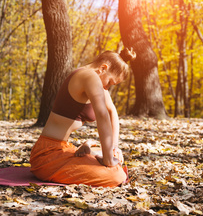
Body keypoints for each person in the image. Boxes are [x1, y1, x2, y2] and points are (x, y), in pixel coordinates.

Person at [30, 47, 136, 187]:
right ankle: (95, 154)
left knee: (114, 158)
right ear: (103, 68)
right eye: (110, 82)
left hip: (63, 148)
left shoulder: (96, 79)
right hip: (47, 155)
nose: (108, 87)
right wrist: (109, 159)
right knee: (116, 176)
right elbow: (102, 114)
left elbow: (112, 112)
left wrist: (114, 148)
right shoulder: (89, 77)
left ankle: (90, 151)